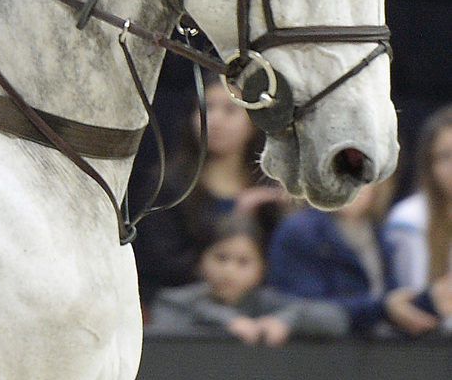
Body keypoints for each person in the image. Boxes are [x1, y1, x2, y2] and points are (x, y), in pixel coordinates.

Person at [134, 77, 289, 309]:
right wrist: (236, 219)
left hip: (262, 310)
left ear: (255, 121)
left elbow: (287, 264)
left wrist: (287, 214)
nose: (214, 120)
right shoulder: (168, 184)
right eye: (206, 108)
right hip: (183, 309)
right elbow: (159, 261)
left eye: (230, 110)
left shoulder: (273, 186)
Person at [267, 180, 441, 338]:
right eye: (341, 175)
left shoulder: (378, 233)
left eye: (362, 177)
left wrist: (430, 300)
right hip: (321, 353)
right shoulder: (300, 232)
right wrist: (383, 308)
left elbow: (392, 301)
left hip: (375, 354)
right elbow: (305, 309)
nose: (351, 185)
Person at [145, 215, 347, 343]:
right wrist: (227, 321)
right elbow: (165, 333)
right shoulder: (172, 302)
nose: (229, 270)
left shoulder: (268, 303)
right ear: (201, 261)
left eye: (243, 262)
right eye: (221, 257)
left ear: (261, 269)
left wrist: (287, 321)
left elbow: (336, 319)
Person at [381, 105, 452, 332]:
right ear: (429, 163)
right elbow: (408, 292)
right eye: (446, 156)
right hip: (424, 340)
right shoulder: (408, 219)